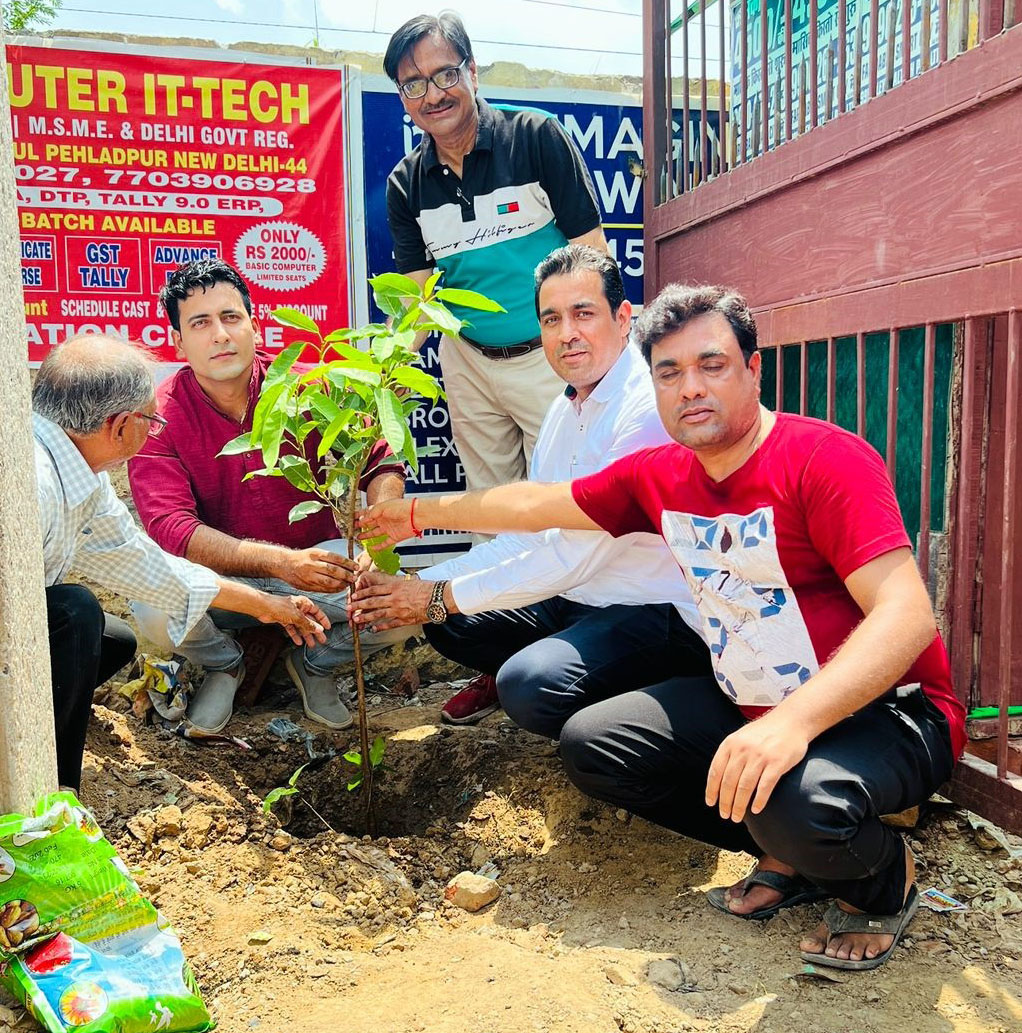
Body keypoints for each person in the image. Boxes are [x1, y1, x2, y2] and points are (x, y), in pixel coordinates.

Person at [357, 284, 967, 972]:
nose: (690, 387)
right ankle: (789, 848)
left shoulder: (824, 459)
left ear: (754, 368)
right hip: (753, 701)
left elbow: (908, 615)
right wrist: (415, 514)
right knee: (595, 744)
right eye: (669, 372)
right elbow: (537, 504)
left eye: (712, 364)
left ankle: (881, 884)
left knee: (794, 802)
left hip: (886, 712)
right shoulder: (664, 475)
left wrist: (791, 723)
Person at [350, 245, 710, 729]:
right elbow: (528, 537)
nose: (568, 334)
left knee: (529, 686)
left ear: (624, 318)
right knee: (449, 617)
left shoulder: (645, 408)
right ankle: (568, 670)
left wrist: (435, 594)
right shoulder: (565, 409)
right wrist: (419, 591)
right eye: (552, 319)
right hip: (572, 596)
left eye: (583, 314)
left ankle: (638, 706)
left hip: (648, 609)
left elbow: (576, 554)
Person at [33, 334, 330, 793]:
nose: (154, 429)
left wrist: (264, 605)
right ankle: (52, 795)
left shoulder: (78, 471)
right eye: (150, 421)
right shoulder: (35, 484)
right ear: (120, 426)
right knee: (74, 614)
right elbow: (169, 537)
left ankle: (37, 721)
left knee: (111, 641)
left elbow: (144, 563)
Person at [127, 260, 413, 735]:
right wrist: (281, 566)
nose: (220, 335)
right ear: (177, 341)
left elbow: (381, 458)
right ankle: (225, 663)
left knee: (404, 604)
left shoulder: (307, 387)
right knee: (153, 606)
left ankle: (315, 663)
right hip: (225, 583)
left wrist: (379, 538)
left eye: (231, 317)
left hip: (317, 571)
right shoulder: (158, 416)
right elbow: (172, 529)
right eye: (200, 323)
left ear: (254, 326)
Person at [384, 12, 608, 493]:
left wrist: (594, 358)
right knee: (490, 507)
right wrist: (382, 376)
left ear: (472, 71)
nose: (434, 95)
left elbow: (592, 257)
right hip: (469, 365)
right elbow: (416, 300)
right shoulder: (405, 185)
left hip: (548, 361)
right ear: (403, 99)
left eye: (445, 74)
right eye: (414, 85)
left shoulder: (534, 137)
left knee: (563, 505)